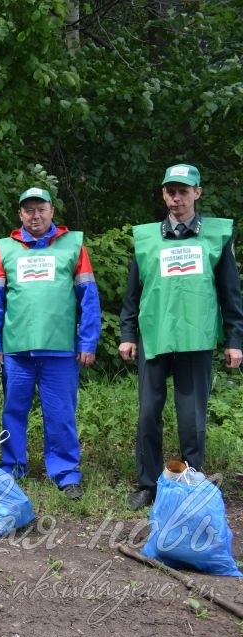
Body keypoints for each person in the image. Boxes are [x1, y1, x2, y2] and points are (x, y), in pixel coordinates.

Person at [119, 164, 243, 509]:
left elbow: (230, 292)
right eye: (171, 191)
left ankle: (190, 480)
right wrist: (128, 334)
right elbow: (133, 293)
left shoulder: (216, 236)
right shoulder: (146, 238)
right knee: (148, 413)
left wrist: (235, 339)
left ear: (197, 192)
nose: (177, 198)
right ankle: (148, 484)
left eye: (184, 191)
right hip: (154, 338)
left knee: (191, 418)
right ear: (163, 194)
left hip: (196, 338)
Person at [0, 187, 101, 500]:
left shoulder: (73, 246)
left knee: (61, 413)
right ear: (20, 214)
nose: (35, 216)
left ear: (51, 211)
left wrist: (88, 340)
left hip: (60, 348)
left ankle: (65, 473)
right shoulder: (4, 249)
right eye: (29, 210)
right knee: (13, 412)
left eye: (41, 209)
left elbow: (88, 297)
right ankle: (12, 469)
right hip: (16, 349)